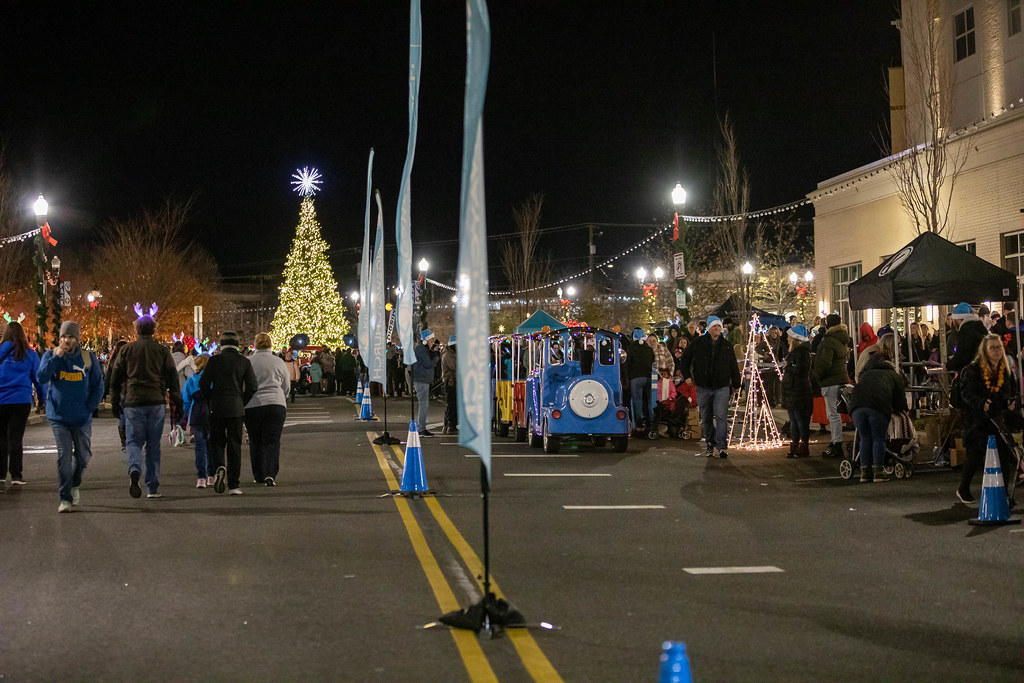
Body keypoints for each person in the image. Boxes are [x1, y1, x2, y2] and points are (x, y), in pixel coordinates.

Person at [109, 313, 182, 499]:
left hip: (133, 401)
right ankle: (152, 486)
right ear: (154, 330)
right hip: (156, 401)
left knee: (133, 440)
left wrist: (115, 400)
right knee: (153, 445)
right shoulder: (162, 351)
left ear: (136, 330)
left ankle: (134, 469)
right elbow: (173, 378)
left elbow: (115, 378)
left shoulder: (127, 350)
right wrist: (177, 402)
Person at [36, 321, 104, 512]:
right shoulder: (51, 356)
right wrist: (56, 358)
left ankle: (75, 483)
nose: (66, 340)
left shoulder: (88, 358)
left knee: (83, 457)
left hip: (82, 418)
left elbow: (98, 385)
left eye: (70, 337)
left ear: (77, 339)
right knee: (64, 457)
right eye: (63, 337)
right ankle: (65, 498)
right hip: (59, 418)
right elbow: (41, 377)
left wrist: (89, 408)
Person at [956, 333, 1019, 506]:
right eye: (993, 348)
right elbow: (966, 393)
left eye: (999, 347)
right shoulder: (973, 369)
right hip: (977, 419)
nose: (997, 351)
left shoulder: (1005, 370)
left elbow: (1011, 391)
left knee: (1003, 454)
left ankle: (1003, 493)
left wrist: (1011, 401)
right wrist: (981, 403)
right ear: (984, 350)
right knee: (976, 454)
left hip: (997, 418)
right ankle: (963, 488)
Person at [200, 331, 258, 495]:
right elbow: (253, 386)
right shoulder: (244, 362)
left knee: (217, 442)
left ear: (221, 345)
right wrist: (241, 400)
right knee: (234, 445)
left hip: (217, 406)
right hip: (236, 406)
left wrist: (211, 399)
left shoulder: (214, 361)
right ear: (237, 345)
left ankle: (219, 466)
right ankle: (234, 484)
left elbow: (204, 384)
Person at [678, 316, 741, 458]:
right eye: (714, 327)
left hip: (722, 386)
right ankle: (710, 444)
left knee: (720, 415)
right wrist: (687, 375)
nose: (717, 329)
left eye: (719, 327)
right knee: (706, 417)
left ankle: (722, 446)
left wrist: (737, 384)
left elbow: (733, 366)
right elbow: (686, 359)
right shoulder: (698, 343)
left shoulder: (726, 345)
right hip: (704, 385)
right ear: (709, 328)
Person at [848, 334, 907, 483]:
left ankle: (864, 473)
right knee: (878, 439)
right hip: (877, 406)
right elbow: (900, 399)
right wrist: (902, 410)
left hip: (857, 406)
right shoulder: (892, 374)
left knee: (865, 437)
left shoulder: (867, 372)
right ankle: (878, 472)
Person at [0, 321, 44, 489]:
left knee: (1, 437)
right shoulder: (29, 353)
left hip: (1, 399)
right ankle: (16, 474)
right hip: (21, 399)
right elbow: (38, 378)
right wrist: (41, 397)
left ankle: (1, 475)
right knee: (16, 438)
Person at [244, 333, 290, 486]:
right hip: (275, 403)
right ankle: (271, 474)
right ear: (270, 344)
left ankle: (258, 474)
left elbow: (244, 385)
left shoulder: (248, 361)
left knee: (255, 441)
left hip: (253, 405)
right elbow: (286, 386)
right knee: (272, 440)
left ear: (255, 345)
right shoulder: (278, 361)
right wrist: (283, 397)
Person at [812, 313, 851, 458]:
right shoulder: (842, 339)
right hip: (841, 378)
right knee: (836, 414)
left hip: (830, 381)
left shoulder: (829, 341)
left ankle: (836, 444)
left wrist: (818, 374)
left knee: (833, 414)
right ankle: (836, 441)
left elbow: (825, 363)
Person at [781, 324, 813, 458]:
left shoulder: (802, 353)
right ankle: (795, 444)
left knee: (800, 420)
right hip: (793, 390)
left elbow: (802, 371)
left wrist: (788, 367)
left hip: (800, 390)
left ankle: (803, 445)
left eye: (789, 336)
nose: (787, 338)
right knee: (794, 420)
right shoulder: (795, 353)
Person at [182, 354, 212, 488]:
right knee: (212, 446)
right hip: (211, 413)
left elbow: (186, 401)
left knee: (200, 446)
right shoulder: (214, 380)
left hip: (197, 414)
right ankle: (211, 475)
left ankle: (201, 477)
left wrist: (181, 418)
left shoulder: (191, 380)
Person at [625, 328, 655, 434]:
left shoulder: (631, 349)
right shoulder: (649, 349)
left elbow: (628, 364)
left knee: (637, 402)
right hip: (648, 377)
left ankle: (639, 425)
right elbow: (653, 361)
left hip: (635, 378)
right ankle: (649, 423)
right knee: (647, 401)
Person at [413, 329, 441, 436]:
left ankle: (421, 427)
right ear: (426, 340)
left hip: (422, 379)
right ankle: (421, 428)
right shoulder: (421, 349)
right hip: (422, 379)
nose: (433, 341)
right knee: (423, 404)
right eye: (431, 339)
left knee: (423, 404)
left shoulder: (421, 349)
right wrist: (436, 358)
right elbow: (428, 364)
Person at [946, 302, 987, 374]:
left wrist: (948, 366)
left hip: (972, 373)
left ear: (957, 319)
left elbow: (962, 356)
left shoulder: (965, 332)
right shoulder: (980, 328)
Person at [170, 341, 195, 446]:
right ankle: (189, 434)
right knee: (186, 411)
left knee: (174, 412)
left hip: (171, 389)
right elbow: (189, 375)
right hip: (183, 389)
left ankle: (174, 431)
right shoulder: (185, 360)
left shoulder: (169, 359)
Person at [441, 335, 458, 434]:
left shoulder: (449, 354)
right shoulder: (448, 355)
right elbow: (455, 366)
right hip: (451, 382)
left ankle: (448, 424)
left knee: (452, 404)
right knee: (451, 404)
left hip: (452, 381)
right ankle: (450, 425)